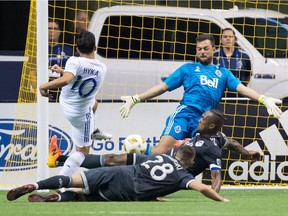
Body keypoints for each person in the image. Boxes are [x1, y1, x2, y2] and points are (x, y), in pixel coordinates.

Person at [119, 34, 282, 155]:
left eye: (205, 48)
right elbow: (162, 87)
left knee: (220, 143)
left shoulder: (223, 73)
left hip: (205, 121)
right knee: (161, 150)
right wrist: (136, 98)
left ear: (213, 49)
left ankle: (247, 155)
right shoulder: (187, 69)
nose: (202, 52)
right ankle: (136, 155)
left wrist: (263, 99)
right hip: (185, 115)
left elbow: (242, 88)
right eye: (199, 49)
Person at [47, 109, 261, 192]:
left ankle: (66, 171)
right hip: (159, 159)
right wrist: (249, 153)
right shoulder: (217, 136)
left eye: (204, 119)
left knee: (115, 168)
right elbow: (231, 142)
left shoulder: (212, 148)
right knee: (115, 158)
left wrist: (214, 194)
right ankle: (60, 159)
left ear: (212, 125)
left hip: (166, 172)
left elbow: (216, 175)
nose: (200, 119)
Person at [6, 145, 229, 203]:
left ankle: (35, 186)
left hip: (118, 173)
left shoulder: (155, 157)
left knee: (71, 180)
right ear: (189, 162)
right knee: (83, 196)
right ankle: (57, 197)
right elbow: (202, 188)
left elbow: (118, 159)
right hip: (125, 192)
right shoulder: (183, 176)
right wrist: (221, 197)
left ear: (175, 153)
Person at [40, 31, 111, 176]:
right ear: (95, 47)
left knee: (95, 103)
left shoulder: (74, 61)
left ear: (77, 49)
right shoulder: (102, 67)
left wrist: (53, 78)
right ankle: (59, 168)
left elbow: (70, 78)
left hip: (66, 103)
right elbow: (68, 79)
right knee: (83, 153)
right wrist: (44, 85)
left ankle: (94, 130)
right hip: (80, 113)